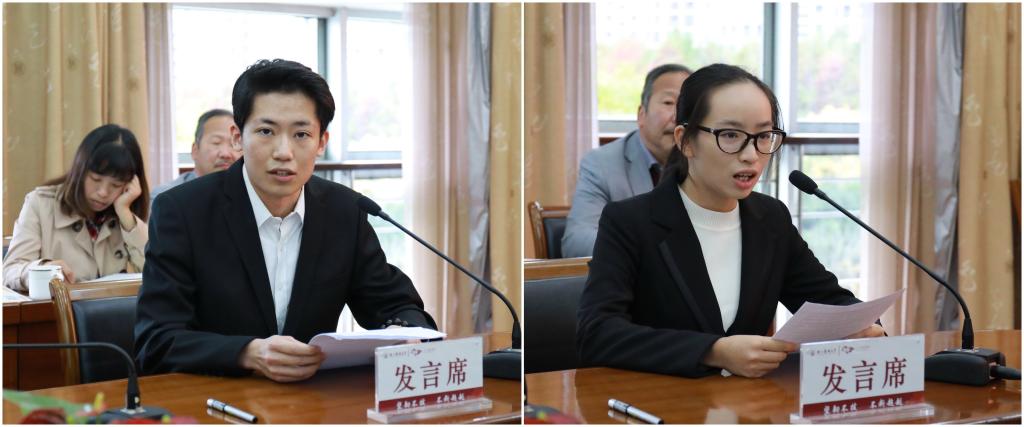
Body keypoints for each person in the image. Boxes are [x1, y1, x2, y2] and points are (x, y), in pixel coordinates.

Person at [135, 59, 436, 382]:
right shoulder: (182, 211)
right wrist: (246, 353)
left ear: (321, 142)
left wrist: (405, 336)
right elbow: (155, 342)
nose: (284, 152)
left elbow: (397, 306)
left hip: (311, 401)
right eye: (266, 131)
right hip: (214, 398)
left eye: (301, 134)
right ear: (237, 137)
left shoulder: (345, 211)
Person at [576, 64, 884, 379]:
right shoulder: (630, 222)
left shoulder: (771, 220)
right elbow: (597, 334)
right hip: (660, 400)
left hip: (747, 402)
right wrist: (713, 351)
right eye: (731, 135)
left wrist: (863, 327)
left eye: (763, 136)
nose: (751, 155)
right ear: (686, 141)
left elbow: (828, 301)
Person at [562, 63, 692, 258]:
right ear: (641, 115)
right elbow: (576, 242)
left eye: (686, 107)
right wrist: (648, 251)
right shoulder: (601, 165)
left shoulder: (706, 164)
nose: (678, 116)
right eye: (668, 102)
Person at [3, 124, 149, 291]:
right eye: (95, 179)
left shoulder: (125, 214)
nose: (103, 192)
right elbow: (9, 271)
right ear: (80, 170)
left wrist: (126, 216)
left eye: (116, 185)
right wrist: (43, 270)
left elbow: (157, 273)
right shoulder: (40, 204)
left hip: (113, 307)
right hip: (57, 307)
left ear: (129, 184)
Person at [149, 108, 240, 204]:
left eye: (233, 144)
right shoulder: (165, 197)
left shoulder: (247, 194)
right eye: (216, 142)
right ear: (195, 150)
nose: (225, 154)